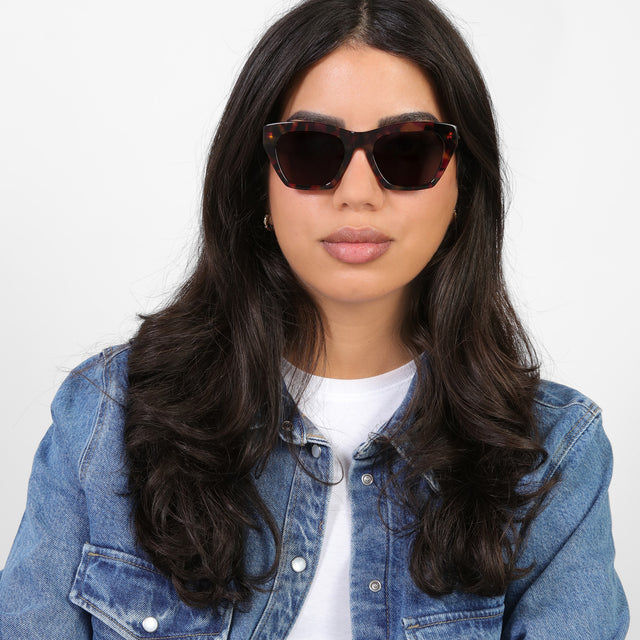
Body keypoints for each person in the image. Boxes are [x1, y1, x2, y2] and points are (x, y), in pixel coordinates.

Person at [0, 0, 629, 637]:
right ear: (258, 183)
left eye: (408, 152)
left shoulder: (551, 458)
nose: (357, 192)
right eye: (310, 151)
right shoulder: (107, 419)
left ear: (463, 186)